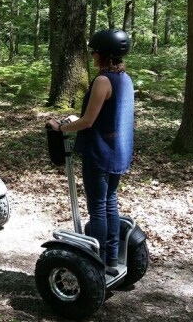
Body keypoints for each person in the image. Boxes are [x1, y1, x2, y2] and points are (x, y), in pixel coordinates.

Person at [46, 29, 134, 274]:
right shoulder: (125, 78)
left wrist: (60, 126)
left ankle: (97, 263)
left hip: (99, 153)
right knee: (110, 204)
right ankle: (112, 260)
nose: (92, 54)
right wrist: (79, 118)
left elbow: (87, 122)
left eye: (94, 50)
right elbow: (108, 114)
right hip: (118, 151)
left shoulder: (103, 80)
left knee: (97, 208)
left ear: (104, 53)